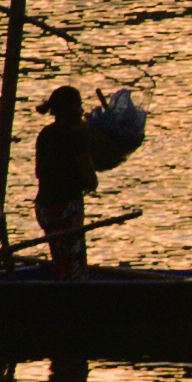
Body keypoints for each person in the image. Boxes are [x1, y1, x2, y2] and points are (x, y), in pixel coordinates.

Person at [32, 83, 143, 270]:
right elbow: (90, 179)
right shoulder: (75, 137)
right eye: (77, 106)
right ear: (66, 110)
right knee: (73, 264)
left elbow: (39, 172)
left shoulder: (45, 134)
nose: (81, 111)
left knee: (59, 259)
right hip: (65, 209)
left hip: (44, 208)